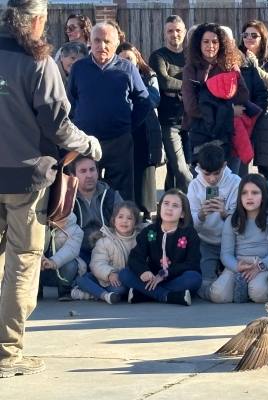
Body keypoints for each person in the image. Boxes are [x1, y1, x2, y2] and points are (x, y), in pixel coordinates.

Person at [0, 0, 102, 378]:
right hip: (25, 179)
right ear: (38, 20)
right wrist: (89, 144)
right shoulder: (38, 61)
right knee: (23, 262)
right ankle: (7, 352)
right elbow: (59, 127)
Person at [68, 22, 152, 201]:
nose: (102, 46)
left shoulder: (127, 69)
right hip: (86, 142)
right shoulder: (79, 68)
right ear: (90, 42)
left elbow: (144, 101)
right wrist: (80, 123)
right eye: (97, 40)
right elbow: (70, 101)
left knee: (121, 191)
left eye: (107, 41)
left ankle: (120, 227)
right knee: (83, 186)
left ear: (116, 43)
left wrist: (128, 124)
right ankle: (85, 224)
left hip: (119, 142)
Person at [119, 189, 202, 306]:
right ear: (160, 207)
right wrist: (144, 271)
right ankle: (167, 296)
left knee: (194, 278)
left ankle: (144, 294)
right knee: (124, 273)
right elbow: (135, 256)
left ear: (182, 213)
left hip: (176, 278)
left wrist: (165, 274)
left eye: (175, 206)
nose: (169, 208)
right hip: (152, 278)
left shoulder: (189, 234)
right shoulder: (149, 231)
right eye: (166, 204)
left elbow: (192, 264)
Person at [210, 174, 268, 304]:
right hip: (238, 265)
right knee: (218, 295)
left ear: (263, 197)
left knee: (259, 294)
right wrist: (236, 266)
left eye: (255, 193)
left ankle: (250, 290)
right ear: (240, 197)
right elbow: (226, 254)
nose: (249, 197)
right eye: (244, 193)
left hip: (263, 265)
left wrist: (261, 266)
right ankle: (239, 286)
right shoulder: (232, 219)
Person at [182, 23, 249, 162]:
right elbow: (191, 107)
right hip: (201, 134)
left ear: (221, 43)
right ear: (198, 44)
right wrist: (229, 111)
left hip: (228, 134)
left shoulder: (230, 66)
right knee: (204, 181)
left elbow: (243, 95)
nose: (210, 46)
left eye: (215, 41)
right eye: (206, 41)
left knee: (231, 181)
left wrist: (212, 108)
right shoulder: (191, 68)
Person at [188, 143, 241, 298]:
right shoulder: (195, 186)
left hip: (232, 242)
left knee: (235, 278)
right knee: (205, 284)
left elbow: (241, 219)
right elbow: (190, 223)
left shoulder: (235, 182)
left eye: (217, 173)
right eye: (207, 174)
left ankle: (226, 280)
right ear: (199, 168)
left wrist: (225, 214)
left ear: (224, 166)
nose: (212, 179)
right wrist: (201, 215)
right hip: (206, 242)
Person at [117, 42, 162, 221]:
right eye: (122, 60)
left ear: (137, 60)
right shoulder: (112, 77)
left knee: (145, 173)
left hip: (145, 129)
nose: (126, 63)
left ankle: (147, 212)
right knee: (128, 171)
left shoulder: (148, 76)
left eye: (129, 58)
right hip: (124, 130)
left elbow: (153, 99)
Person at [149, 15, 192, 192]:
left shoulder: (191, 56)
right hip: (169, 122)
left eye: (178, 30)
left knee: (179, 168)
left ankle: (170, 207)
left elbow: (200, 81)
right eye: (170, 31)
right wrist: (189, 86)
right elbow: (164, 82)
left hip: (190, 119)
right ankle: (195, 200)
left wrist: (180, 88)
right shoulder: (158, 56)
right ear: (165, 34)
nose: (175, 34)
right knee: (182, 169)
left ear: (185, 32)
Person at [71, 201, 141, 304]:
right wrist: (109, 274)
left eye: (129, 218)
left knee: (119, 289)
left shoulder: (139, 239)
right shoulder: (105, 240)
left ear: (135, 222)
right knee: (81, 279)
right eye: (120, 217)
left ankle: (92, 294)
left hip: (124, 282)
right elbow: (97, 263)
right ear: (114, 220)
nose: (124, 221)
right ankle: (105, 296)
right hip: (106, 279)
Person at [239, 20, 268, 178]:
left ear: (262, 38)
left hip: (267, 114)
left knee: (266, 165)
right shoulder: (236, 57)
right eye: (246, 35)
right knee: (240, 162)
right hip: (243, 112)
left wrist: (256, 67)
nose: (249, 38)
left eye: (254, 35)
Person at [71, 155, 123, 264]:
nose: (89, 175)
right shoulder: (67, 199)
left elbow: (126, 226)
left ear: (97, 172)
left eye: (92, 169)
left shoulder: (111, 196)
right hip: (78, 252)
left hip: (108, 250)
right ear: (73, 175)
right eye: (83, 171)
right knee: (69, 268)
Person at [38, 213, 85, 301]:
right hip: (41, 269)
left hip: (60, 271)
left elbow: (70, 250)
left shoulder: (75, 230)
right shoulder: (39, 226)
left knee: (71, 265)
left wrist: (53, 262)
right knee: (29, 259)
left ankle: (64, 289)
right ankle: (36, 289)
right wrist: (40, 257)